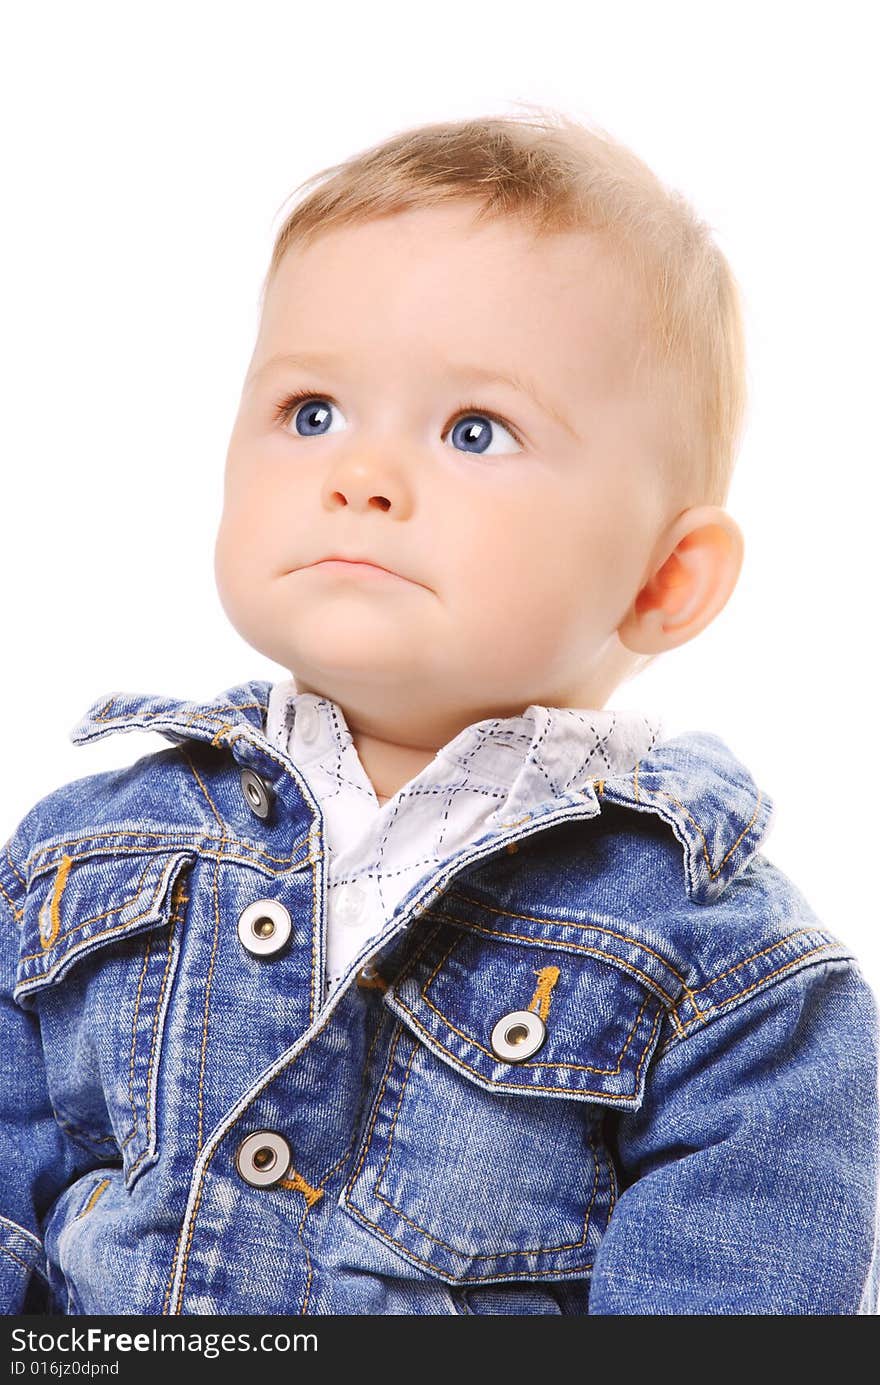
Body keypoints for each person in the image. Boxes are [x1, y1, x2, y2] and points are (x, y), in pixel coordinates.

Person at [1, 110, 877, 1316]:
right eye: (311, 411)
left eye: (476, 430)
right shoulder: (77, 853)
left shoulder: (733, 973)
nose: (356, 477)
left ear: (662, 580)